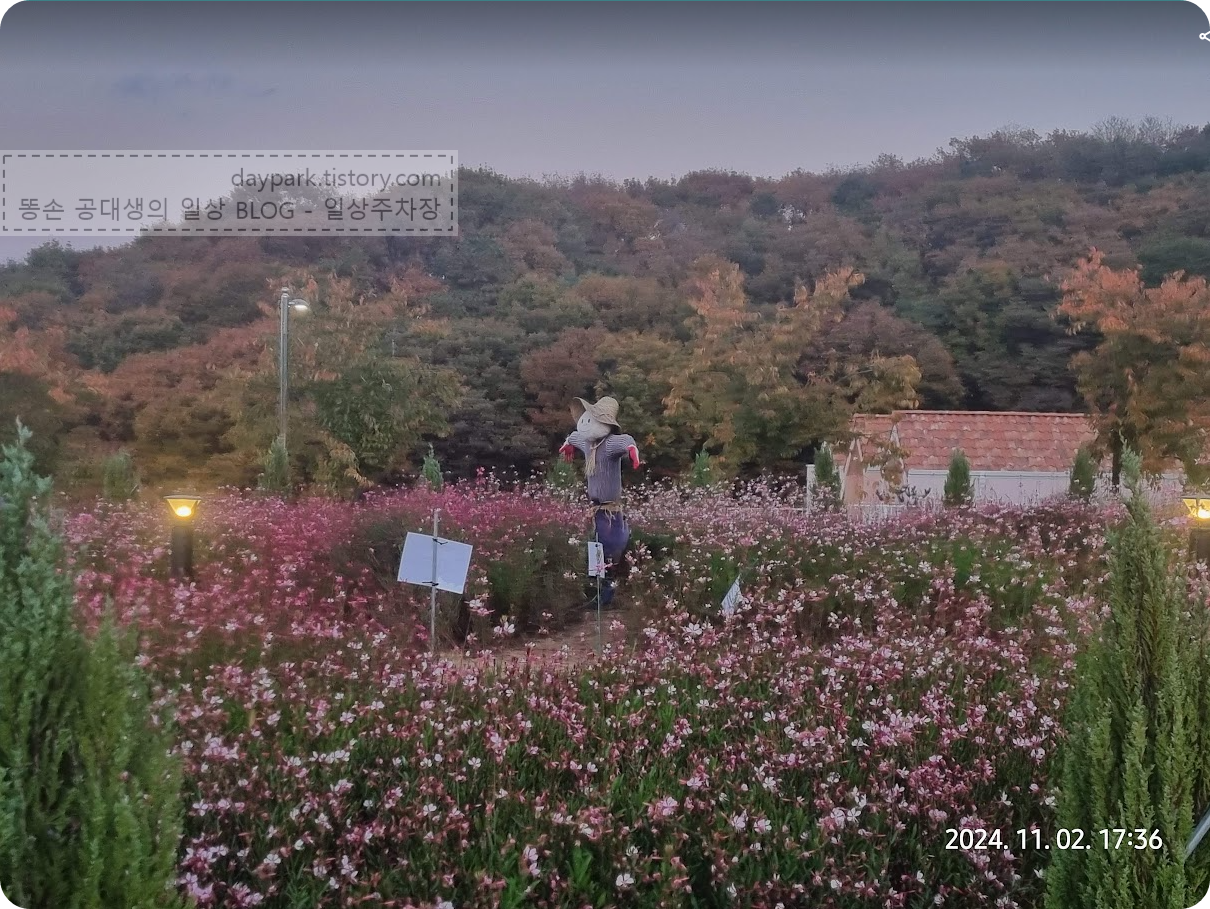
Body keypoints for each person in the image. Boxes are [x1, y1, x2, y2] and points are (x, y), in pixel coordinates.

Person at [559, 396, 641, 608]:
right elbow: (575, 436)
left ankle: (607, 594)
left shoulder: (611, 444)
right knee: (594, 549)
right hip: (595, 509)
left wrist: (632, 450)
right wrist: (568, 444)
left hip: (610, 509)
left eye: (592, 420)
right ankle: (598, 593)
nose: (586, 423)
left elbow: (626, 440)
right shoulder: (587, 443)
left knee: (611, 547)